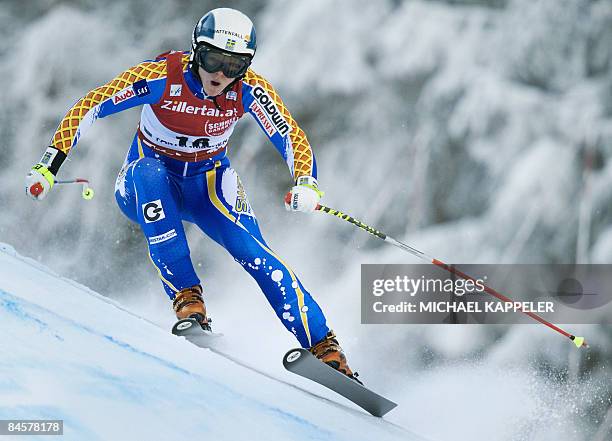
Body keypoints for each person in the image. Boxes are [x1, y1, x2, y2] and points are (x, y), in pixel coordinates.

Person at [25, 7, 359, 381]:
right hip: (146, 182)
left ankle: (325, 348)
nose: (220, 74)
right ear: (196, 51)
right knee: (151, 173)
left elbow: (289, 134)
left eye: (234, 66)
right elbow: (90, 105)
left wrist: (306, 181)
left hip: (207, 184)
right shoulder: (160, 75)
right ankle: (188, 299)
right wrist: (48, 166)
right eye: (214, 59)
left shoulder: (251, 88)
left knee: (257, 254)